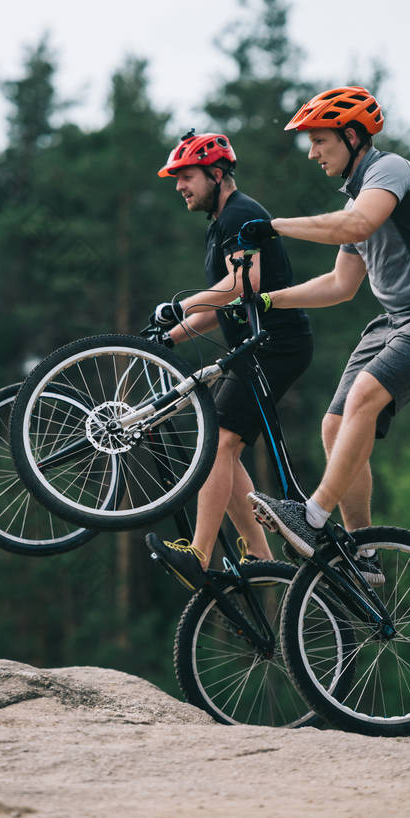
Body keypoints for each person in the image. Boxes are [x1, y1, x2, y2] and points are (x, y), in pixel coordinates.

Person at [239, 86, 410, 583]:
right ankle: (362, 555)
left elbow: (358, 225)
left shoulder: (389, 171)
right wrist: (266, 300)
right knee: (335, 426)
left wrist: (275, 226)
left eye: (319, 141)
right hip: (397, 319)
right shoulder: (356, 198)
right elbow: (340, 285)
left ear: (352, 136)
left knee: (366, 395)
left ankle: (311, 517)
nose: (312, 153)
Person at [145, 130, 313, 590]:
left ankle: (199, 553)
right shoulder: (221, 222)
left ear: (216, 174)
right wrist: (173, 337)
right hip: (254, 346)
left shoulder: (240, 214)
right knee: (222, 445)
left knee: (218, 442)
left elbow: (244, 285)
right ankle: (258, 553)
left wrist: (181, 305)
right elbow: (225, 306)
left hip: (274, 345)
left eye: (187, 177)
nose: (179, 186)